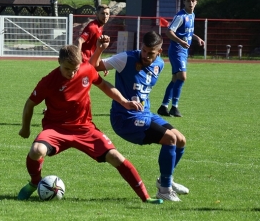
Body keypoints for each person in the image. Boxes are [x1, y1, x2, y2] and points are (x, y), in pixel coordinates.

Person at [17, 44, 163, 204]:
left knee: (115, 157)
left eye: (75, 69)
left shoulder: (87, 70)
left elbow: (104, 85)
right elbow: (29, 104)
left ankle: (146, 197)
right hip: (56, 129)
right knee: (37, 150)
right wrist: (25, 128)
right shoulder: (48, 81)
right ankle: (35, 182)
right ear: (59, 61)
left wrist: (124, 101)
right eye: (67, 69)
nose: (72, 73)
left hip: (85, 128)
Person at [89, 31, 189, 202]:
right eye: (144, 50)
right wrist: (100, 49)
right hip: (124, 118)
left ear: (159, 52)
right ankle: (164, 190)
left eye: (151, 53)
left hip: (145, 113)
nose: (145, 55)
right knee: (170, 139)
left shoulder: (160, 64)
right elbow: (93, 67)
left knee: (180, 140)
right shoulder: (126, 58)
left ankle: (167, 181)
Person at [157, 0, 205, 117]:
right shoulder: (180, 16)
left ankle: (164, 106)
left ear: (196, 2)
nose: (191, 3)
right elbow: (169, 32)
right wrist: (181, 42)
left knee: (175, 79)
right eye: (188, 1)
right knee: (182, 77)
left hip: (183, 51)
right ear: (184, 2)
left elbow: (187, 33)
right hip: (177, 50)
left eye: (193, 1)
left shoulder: (192, 15)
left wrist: (197, 38)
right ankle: (175, 107)